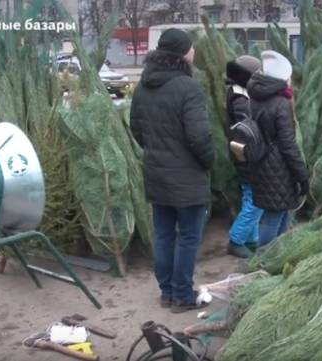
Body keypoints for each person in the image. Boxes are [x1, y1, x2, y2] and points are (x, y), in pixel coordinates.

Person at [129, 28, 214, 313]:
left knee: (164, 234)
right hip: (187, 176)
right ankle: (182, 295)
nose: (194, 52)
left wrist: (157, 150)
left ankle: (166, 292)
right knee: (189, 236)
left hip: (156, 173)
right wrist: (208, 161)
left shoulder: (143, 87)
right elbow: (198, 137)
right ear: (182, 53)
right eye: (191, 48)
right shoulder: (188, 88)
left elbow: (137, 130)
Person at [246, 50, 309, 247]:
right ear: (283, 78)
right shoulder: (281, 103)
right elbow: (288, 145)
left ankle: (276, 257)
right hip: (278, 168)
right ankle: (263, 260)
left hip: (261, 163)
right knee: (273, 218)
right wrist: (302, 175)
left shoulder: (255, 98)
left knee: (279, 213)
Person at [225, 55, 264, 258]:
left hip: (244, 153)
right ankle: (236, 239)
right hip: (247, 155)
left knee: (252, 197)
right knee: (256, 200)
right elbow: (248, 127)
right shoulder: (240, 97)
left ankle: (252, 240)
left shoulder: (240, 92)